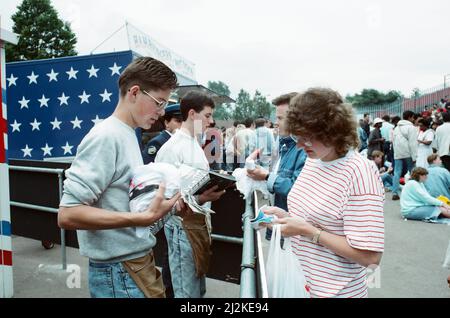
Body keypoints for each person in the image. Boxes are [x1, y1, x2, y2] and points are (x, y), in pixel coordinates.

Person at [58, 57, 181, 298]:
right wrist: (141, 217)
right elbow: (68, 213)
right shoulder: (107, 137)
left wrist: (164, 208)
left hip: (131, 267)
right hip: (119, 272)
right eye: (159, 102)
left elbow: (124, 204)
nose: (162, 111)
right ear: (134, 92)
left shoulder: (127, 133)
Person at [262, 88, 384, 298]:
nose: (299, 145)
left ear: (333, 131)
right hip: (299, 282)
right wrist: (288, 219)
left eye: (307, 138)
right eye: (296, 136)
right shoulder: (314, 159)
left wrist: (309, 231)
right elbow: (316, 218)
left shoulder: (360, 172)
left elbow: (371, 257)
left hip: (336, 291)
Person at [155, 91, 226, 298]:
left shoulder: (193, 142)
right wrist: (203, 198)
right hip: (182, 227)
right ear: (192, 114)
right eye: (207, 115)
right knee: (186, 292)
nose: (211, 121)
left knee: (196, 287)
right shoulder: (172, 148)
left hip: (197, 224)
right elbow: (167, 199)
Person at [246, 93, 307, 240]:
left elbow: (297, 189)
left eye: (280, 118)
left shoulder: (305, 149)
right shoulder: (285, 144)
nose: (276, 123)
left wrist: (266, 176)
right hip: (283, 228)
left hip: (294, 235)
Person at [391, 110, 418, 200]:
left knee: (397, 172)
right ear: (410, 117)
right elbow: (413, 143)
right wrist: (414, 156)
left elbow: (393, 142)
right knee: (413, 172)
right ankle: (416, 192)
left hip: (398, 153)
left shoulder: (396, 128)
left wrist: (395, 154)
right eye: (413, 117)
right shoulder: (411, 128)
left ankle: (394, 193)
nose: (414, 119)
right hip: (408, 153)